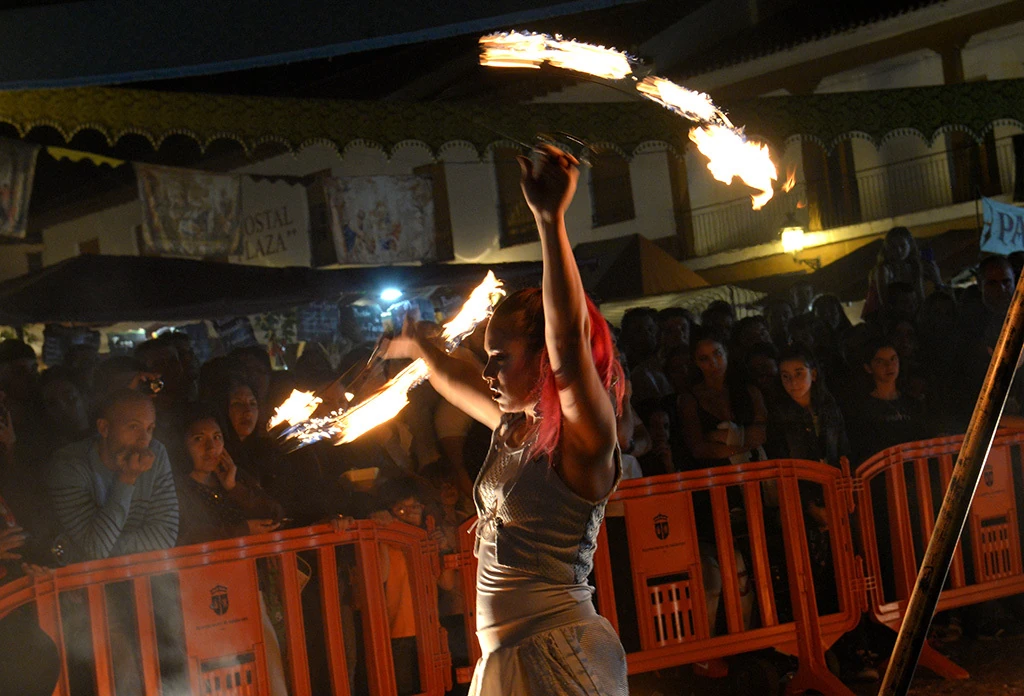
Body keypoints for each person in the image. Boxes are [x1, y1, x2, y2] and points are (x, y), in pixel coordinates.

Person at [385, 144, 628, 695]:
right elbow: (456, 378)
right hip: (507, 658)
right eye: (488, 354)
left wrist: (549, 221)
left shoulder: (584, 436)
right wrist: (421, 346)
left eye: (502, 356)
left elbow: (567, 340)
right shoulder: (511, 425)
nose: (489, 369)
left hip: (560, 656)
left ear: (542, 356)